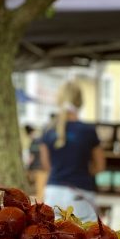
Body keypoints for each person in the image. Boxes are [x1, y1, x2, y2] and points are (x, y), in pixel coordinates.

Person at [40, 81, 105, 223]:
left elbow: (46, 165)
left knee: (51, 237)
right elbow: (100, 166)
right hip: (80, 193)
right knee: (86, 238)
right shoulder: (88, 131)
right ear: (80, 101)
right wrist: (81, 171)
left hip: (53, 192)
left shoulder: (47, 130)